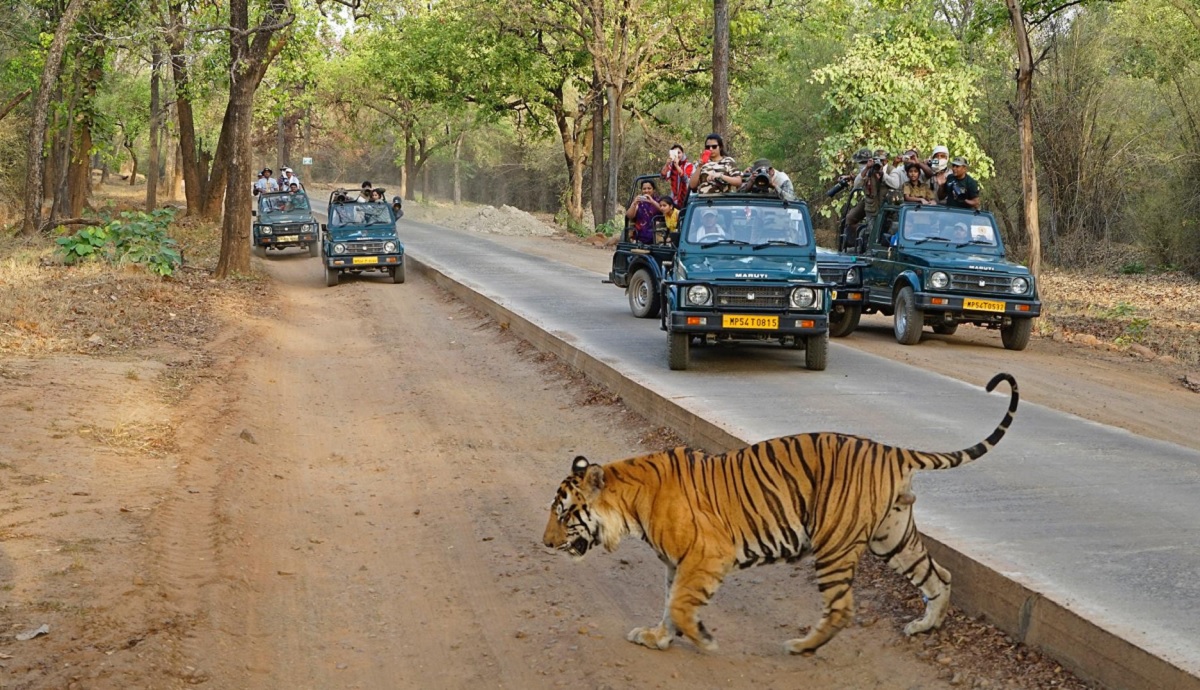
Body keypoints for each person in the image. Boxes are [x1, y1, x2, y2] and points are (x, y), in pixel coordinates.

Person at [624, 179, 662, 243]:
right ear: (641, 190)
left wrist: (652, 202)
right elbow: (629, 216)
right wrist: (634, 203)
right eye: (644, 189)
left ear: (653, 190)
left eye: (649, 188)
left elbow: (664, 211)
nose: (646, 191)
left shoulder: (659, 201)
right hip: (639, 235)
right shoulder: (639, 202)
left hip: (656, 235)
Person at [661, 144, 695, 209]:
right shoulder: (670, 166)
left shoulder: (688, 165)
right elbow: (663, 176)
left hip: (687, 197)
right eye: (674, 153)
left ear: (683, 154)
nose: (677, 155)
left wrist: (677, 166)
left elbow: (685, 179)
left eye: (678, 153)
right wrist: (666, 164)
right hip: (674, 199)